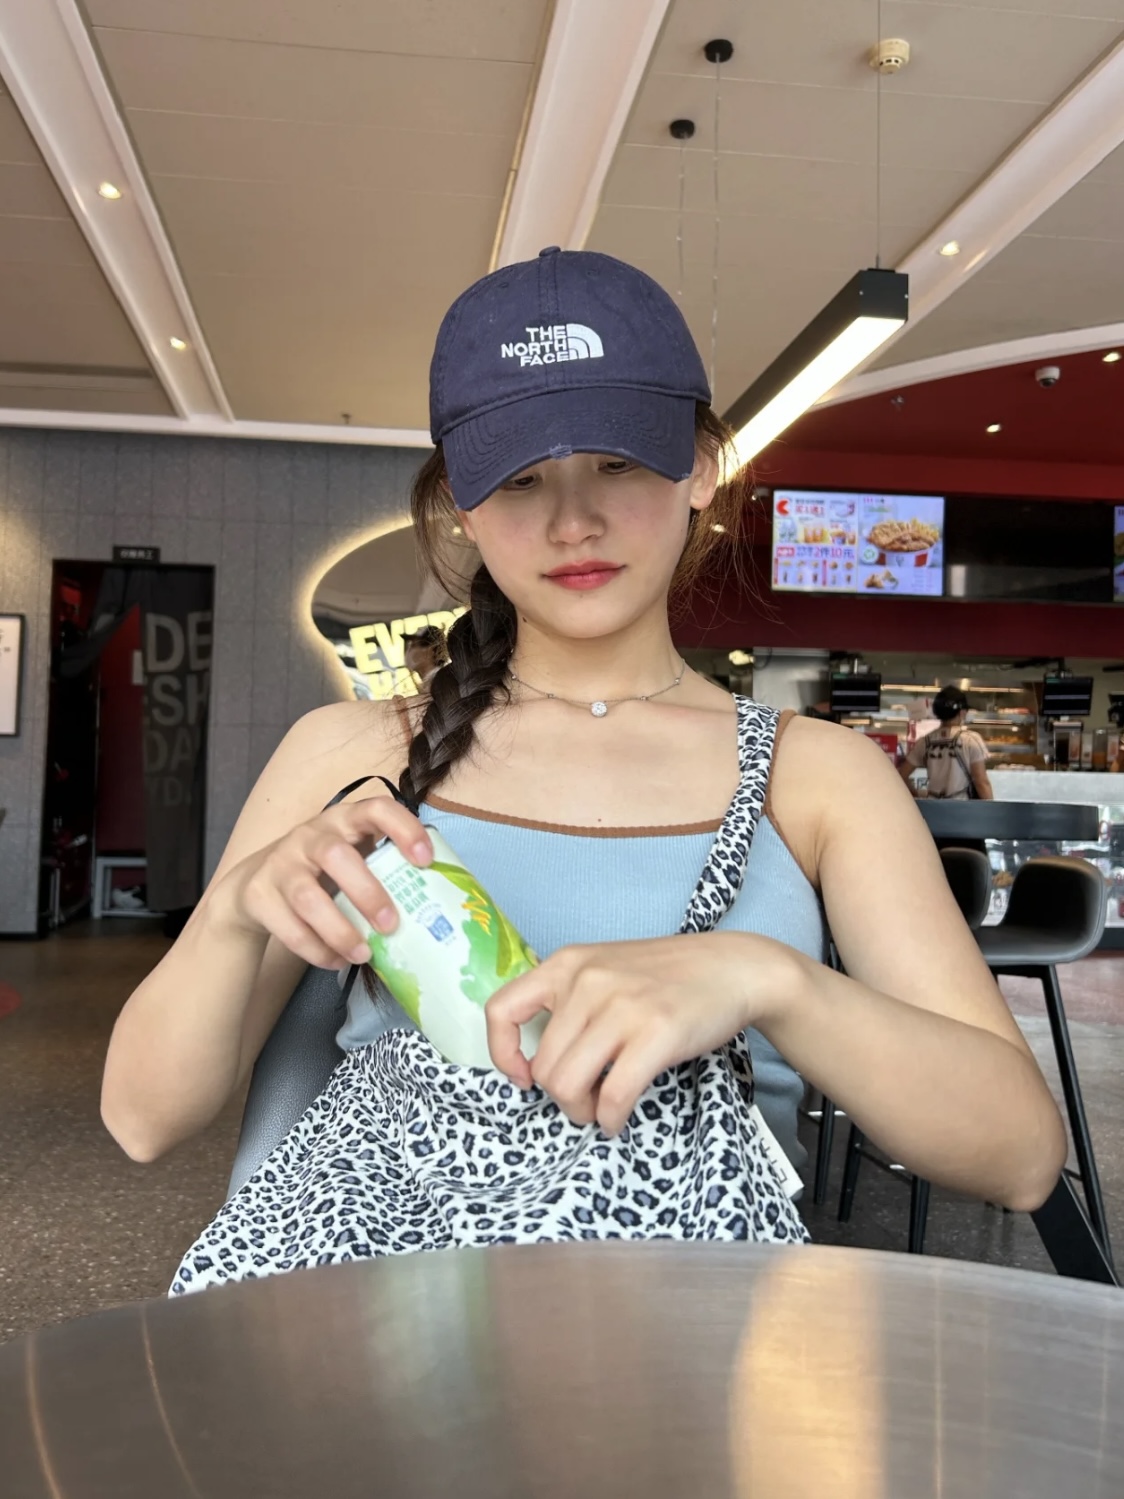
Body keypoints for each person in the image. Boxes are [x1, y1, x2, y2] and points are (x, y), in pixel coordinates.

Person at [100, 249, 1065, 1295]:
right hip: (370, 1347)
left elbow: (1017, 1154)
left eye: (616, 462)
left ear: (701, 466)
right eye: (520, 479)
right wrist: (235, 912)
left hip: (683, 1351)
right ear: (460, 503)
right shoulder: (349, 752)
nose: (572, 522)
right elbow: (143, 1120)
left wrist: (767, 977)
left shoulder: (816, 775)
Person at [899, 686, 994, 801]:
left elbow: (901, 775)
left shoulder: (925, 742)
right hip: (961, 806)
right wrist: (991, 808)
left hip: (933, 806)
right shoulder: (970, 740)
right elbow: (981, 782)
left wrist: (916, 793)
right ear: (962, 713)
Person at [402, 623, 448, 692]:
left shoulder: (440, 682)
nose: (409, 650)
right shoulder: (430, 682)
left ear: (431, 650)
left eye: (413, 645)